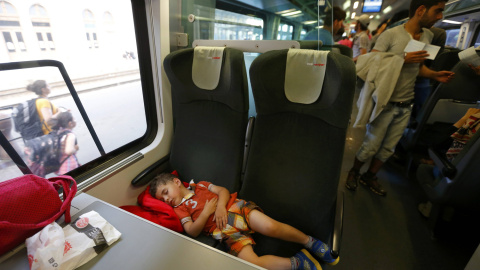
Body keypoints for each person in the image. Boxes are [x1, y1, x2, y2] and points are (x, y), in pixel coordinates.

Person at [345, 0, 454, 196]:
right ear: (421, 10)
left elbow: (419, 69)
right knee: (371, 145)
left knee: (388, 148)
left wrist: (433, 75)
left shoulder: (428, 36)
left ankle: (370, 176)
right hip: (385, 102)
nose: (440, 17)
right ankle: (354, 172)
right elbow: (370, 64)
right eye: (437, 11)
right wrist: (401, 58)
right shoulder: (390, 35)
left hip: (406, 103)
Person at [149, 173, 338, 270]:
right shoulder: (180, 209)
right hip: (225, 232)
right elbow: (191, 231)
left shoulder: (200, 185)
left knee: (271, 226)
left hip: (237, 209)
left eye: (165, 192)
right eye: (162, 199)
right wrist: (206, 213)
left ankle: (309, 241)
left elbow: (222, 191)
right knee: (252, 263)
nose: (166, 200)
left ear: (176, 182)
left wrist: (221, 207)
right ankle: (297, 262)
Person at [47, 110, 80, 175]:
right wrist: (75, 148)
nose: (75, 120)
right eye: (74, 119)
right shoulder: (70, 135)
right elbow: (69, 151)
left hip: (60, 165)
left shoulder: (58, 132)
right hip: (69, 165)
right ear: (70, 123)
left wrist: (59, 113)